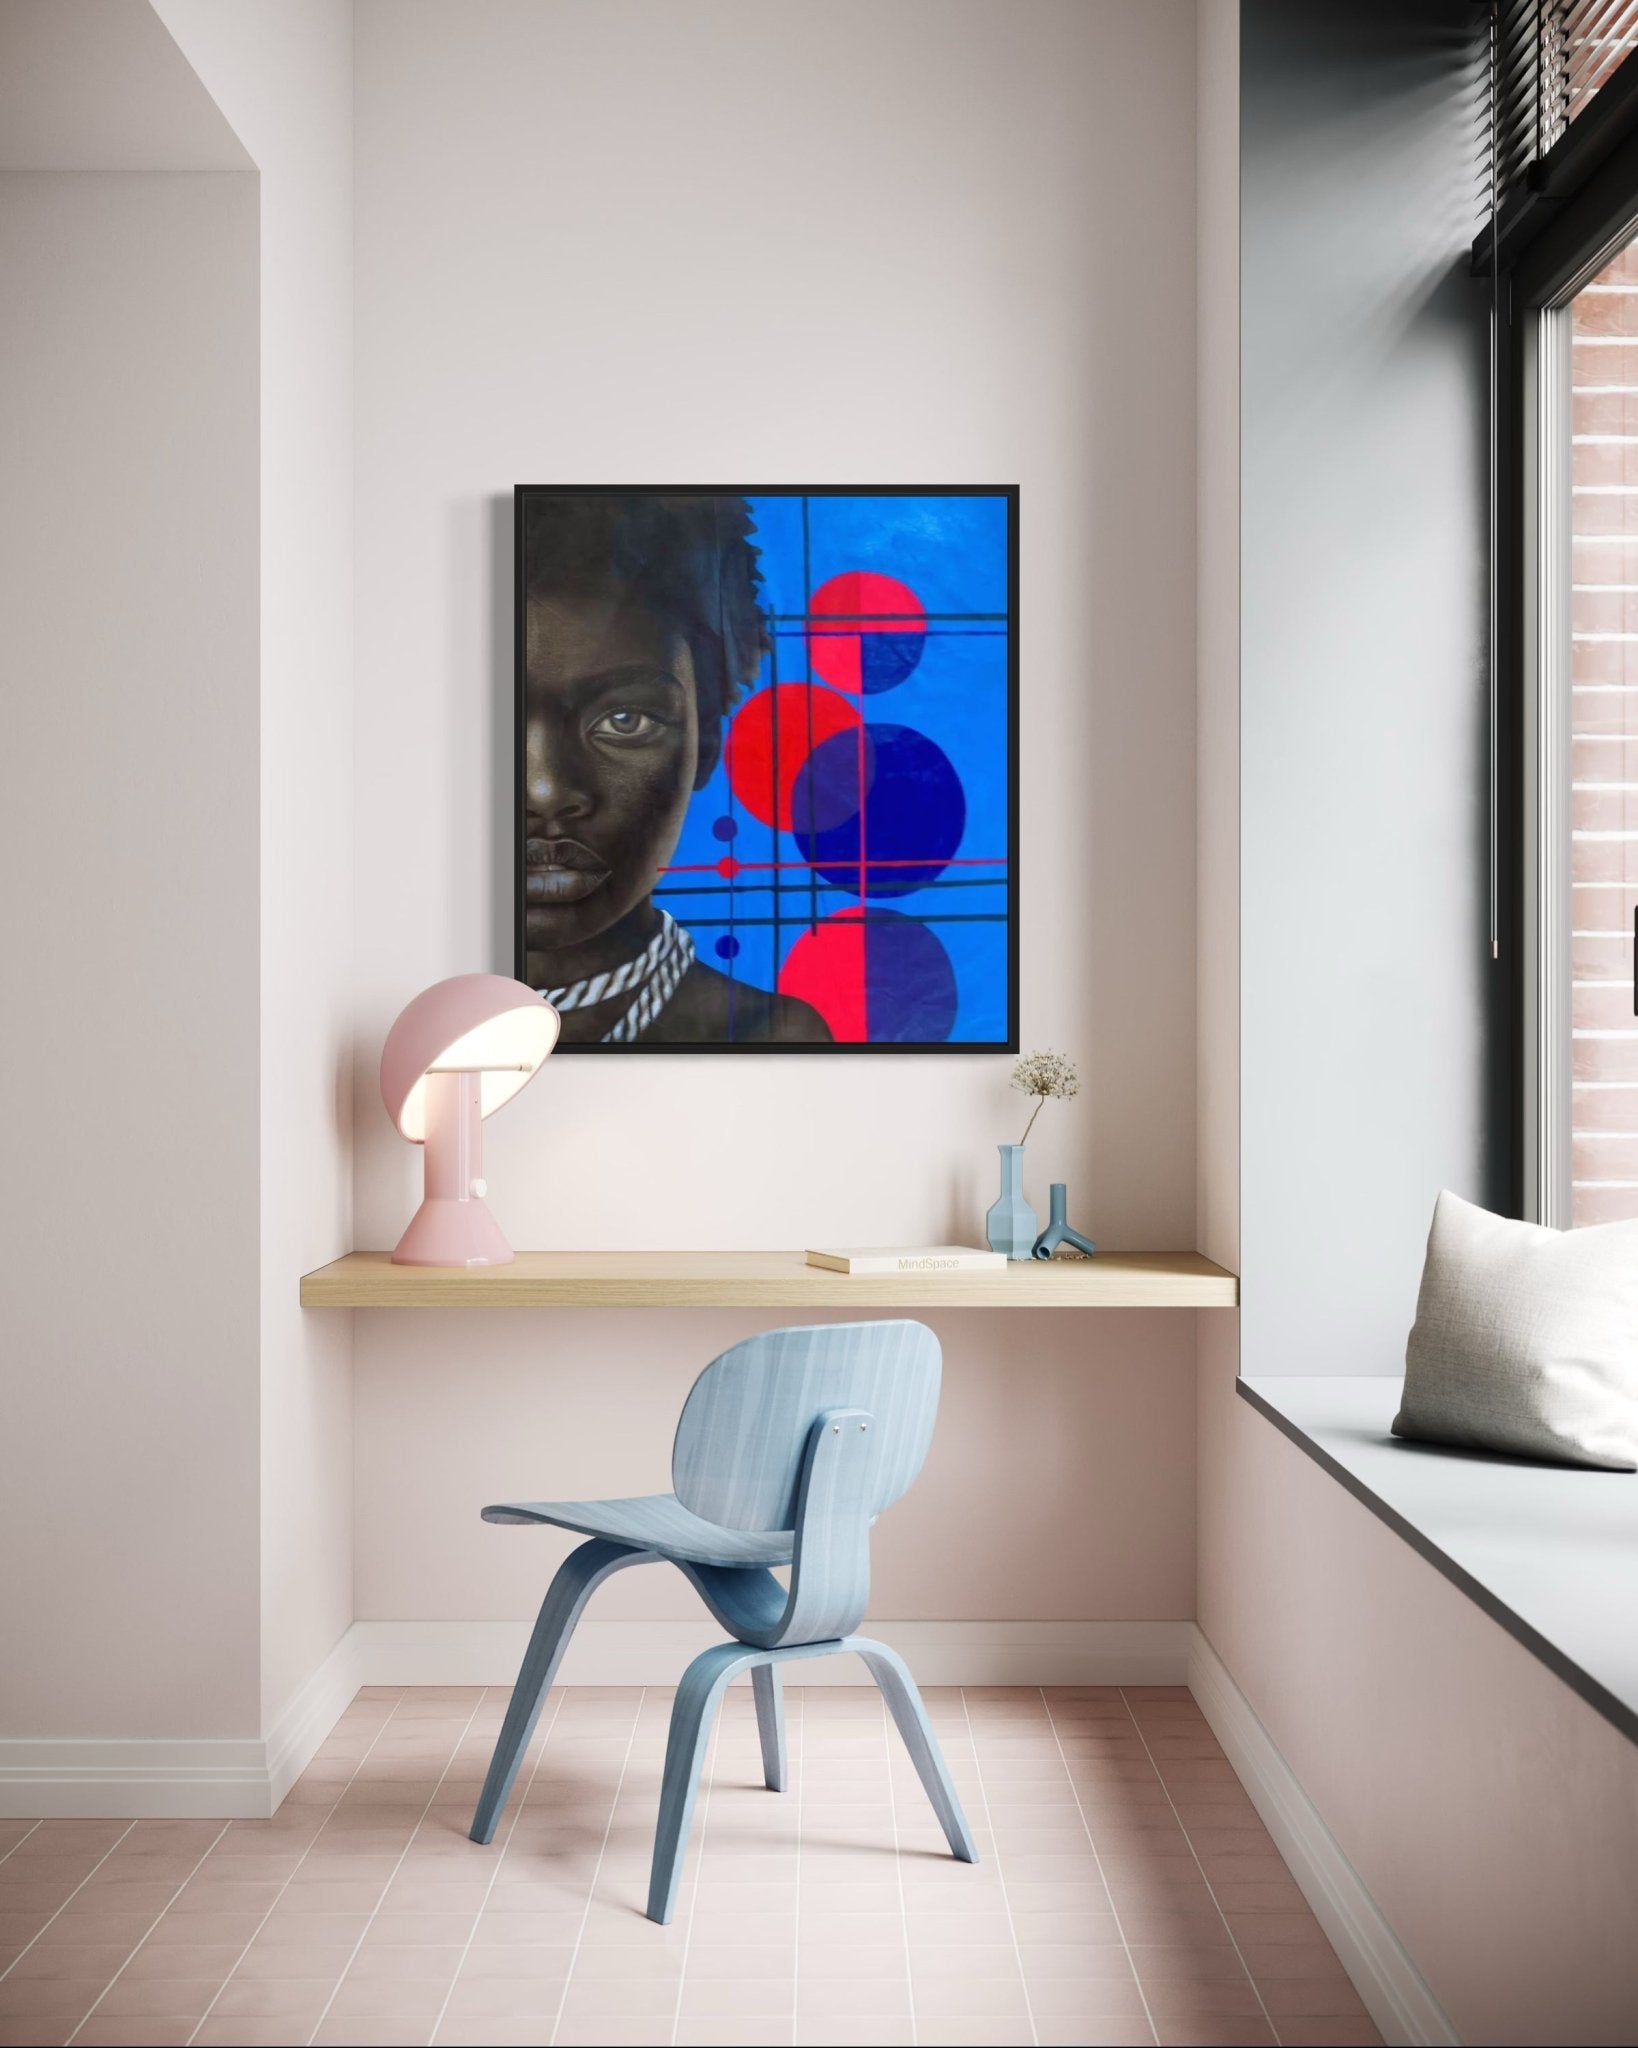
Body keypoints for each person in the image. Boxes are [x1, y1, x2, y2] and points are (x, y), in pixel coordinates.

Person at [520, 492, 832, 1044]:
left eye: (623, 719)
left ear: (705, 743)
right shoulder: (439, 1040)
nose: (544, 790)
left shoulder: (771, 1034)